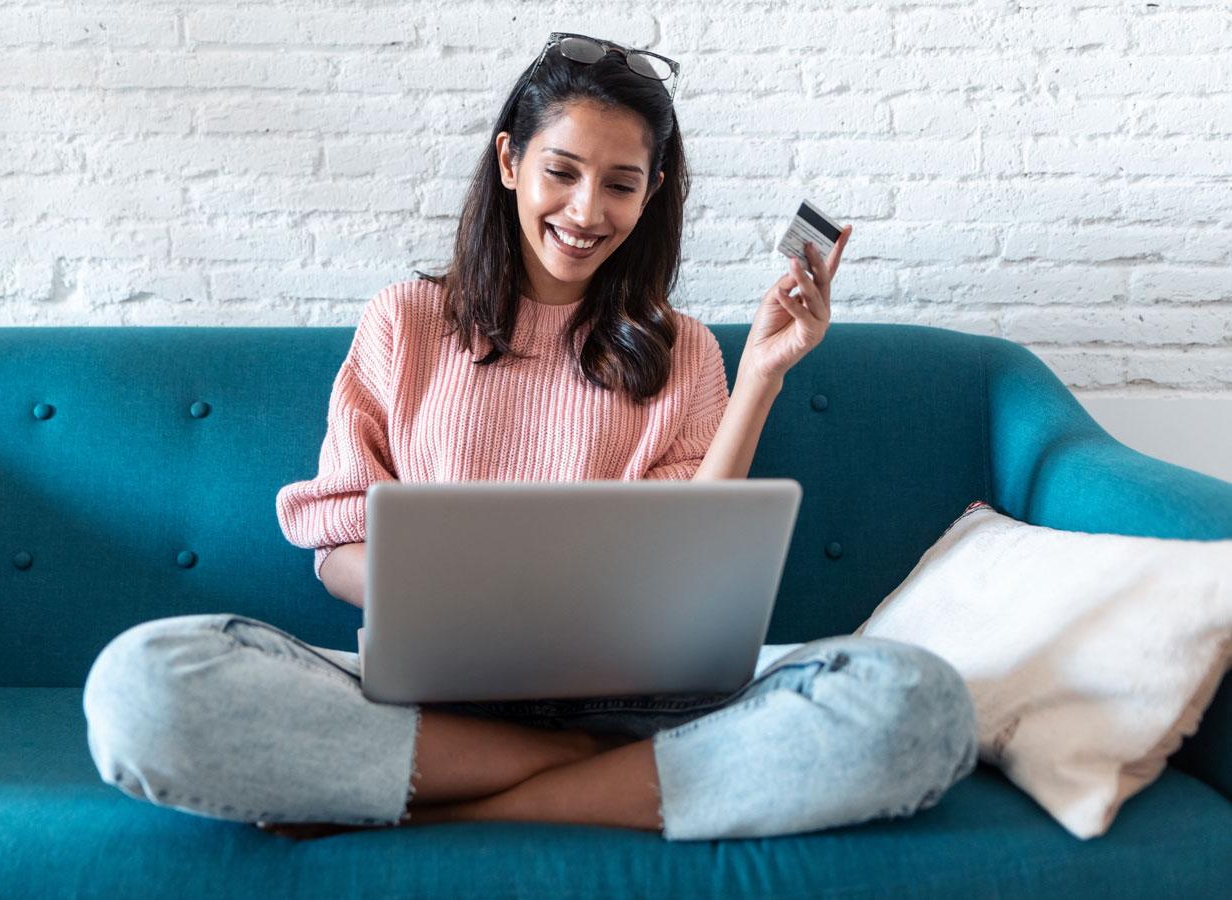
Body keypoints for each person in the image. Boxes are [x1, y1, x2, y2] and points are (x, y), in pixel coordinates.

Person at [82, 32, 977, 843]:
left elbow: (694, 560)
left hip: (645, 701)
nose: (587, 211)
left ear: (652, 192)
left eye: (621, 184)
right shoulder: (407, 322)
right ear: (510, 161)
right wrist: (445, 596)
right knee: (142, 688)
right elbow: (335, 542)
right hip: (440, 699)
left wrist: (763, 377)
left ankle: (459, 802)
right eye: (563, 171)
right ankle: (590, 779)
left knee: (918, 708)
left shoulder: (685, 349)